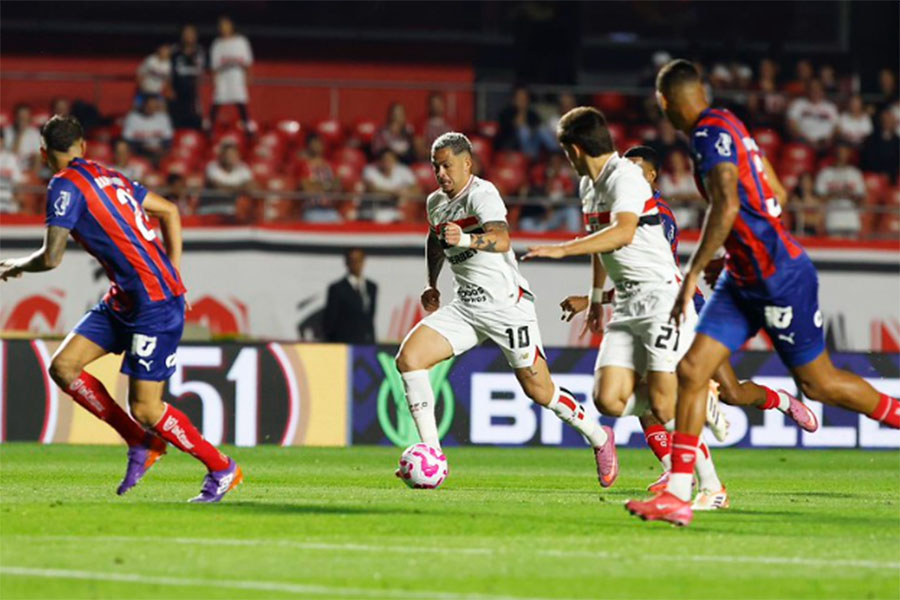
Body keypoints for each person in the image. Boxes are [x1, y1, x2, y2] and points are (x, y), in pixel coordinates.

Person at [626, 59, 899, 527]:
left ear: (665, 101)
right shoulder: (729, 123)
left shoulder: (707, 137)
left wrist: (694, 270)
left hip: (776, 277)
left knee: (820, 383)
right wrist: (739, 245)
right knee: (693, 370)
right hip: (742, 276)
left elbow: (728, 204)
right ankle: (678, 493)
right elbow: (776, 192)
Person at [0, 115, 242, 502]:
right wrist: (173, 271)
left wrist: (14, 266)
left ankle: (222, 467)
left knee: (146, 408)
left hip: (154, 305)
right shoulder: (109, 175)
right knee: (64, 367)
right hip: (126, 298)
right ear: (82, 146)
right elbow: (170, 211)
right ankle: (139, 442)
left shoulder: (63, 186)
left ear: (44, 153)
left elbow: (52, 257)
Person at [560, 144, 818, 496]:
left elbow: (652, 278)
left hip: (684, 310)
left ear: (652, 177)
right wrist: (594, 297)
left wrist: (596, 297)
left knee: (732, 392)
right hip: (646, 310)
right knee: (648, 391)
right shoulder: (617, 210)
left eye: (637, 169)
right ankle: (673, 469)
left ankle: (781, 399)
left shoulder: (658, 216)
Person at [521, 108, 731, 507]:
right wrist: (597, 298)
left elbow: (621, 233)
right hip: (628, 302)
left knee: (664, 404)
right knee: (610, 399)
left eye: (565, 150)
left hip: (660, 299)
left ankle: (711, 488)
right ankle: (698, 399)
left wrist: (562, 249)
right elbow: (601, 242)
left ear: (575, 148)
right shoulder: (589, 185)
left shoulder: (627, 178)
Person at [395, 131, 616, 488]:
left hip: (506, 306)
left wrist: (465, 239)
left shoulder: (483, 194)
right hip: (466, 306)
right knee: (409, 360)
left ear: (467, 163)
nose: (441, 173)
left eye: (447, 165)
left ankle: (599, 437)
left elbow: (502, 239)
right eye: (436, 166)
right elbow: (435, 240)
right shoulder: (436, 202)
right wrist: (431, 282)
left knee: (539, 391)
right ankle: (432, 454)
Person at [322, 248, 378, 344]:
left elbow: (370, 316)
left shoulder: (371, 287)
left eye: (359, 260)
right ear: (347, 263)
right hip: (344, 343)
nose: (356, 264)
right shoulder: (337, 288)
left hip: (366, 343)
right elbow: (330, 319)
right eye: (353, 261)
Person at [209, 16, 253, 134]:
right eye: (222, 26)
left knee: (241, 102)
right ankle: (210, 128)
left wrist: (248, 77)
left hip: (237, 75)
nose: (225, 28)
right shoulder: (217, 43)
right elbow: (214, 66)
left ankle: (248, 129)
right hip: (223, 75)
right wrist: (214, 80)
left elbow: (247, 62)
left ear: (232, 26)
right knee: (217, 101)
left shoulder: (241, 41)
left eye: (227, 25)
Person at [814, 143, 866, 237]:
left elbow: (861, 199)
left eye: (844, 152)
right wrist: (839, 194)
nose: (841, 154)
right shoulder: (825, 173)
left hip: (852, 220)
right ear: (834, 153)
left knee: (852, 249)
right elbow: (819, 199)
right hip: (832, 219)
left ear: (849, 154)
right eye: (839, 152)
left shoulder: (855, 173)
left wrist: (847, 194)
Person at [361, 149, 419, 223]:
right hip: (374, 209)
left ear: (395, 161)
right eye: (385, 160)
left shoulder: (403, 170)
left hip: (397, 209)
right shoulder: (370, 170)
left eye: (390, 160)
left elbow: (416, 189)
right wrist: (393, 193)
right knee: (380, 218)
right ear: (379, 161)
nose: (387, 163)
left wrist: (406, 192)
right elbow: (371, 189)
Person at [170, 25, 206, 130]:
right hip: (178, 92)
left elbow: (206, 72)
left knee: (196, 120)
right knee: (176, 122)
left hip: (195, 93)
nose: (188, 36)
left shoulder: (201, 51)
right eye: (186, 33)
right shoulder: (175, 51)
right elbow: (168, 71)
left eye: (191, 33)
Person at [786, 80, 839, 151]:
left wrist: (829, 139)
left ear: (822, 91)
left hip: (825, 145)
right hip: (803, 143)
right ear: (808, 90)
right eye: (813, 89)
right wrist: (805, 139)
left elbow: (837, 127)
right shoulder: (798, 104)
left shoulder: (831, 107)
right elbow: (792, 124)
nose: (815, 91)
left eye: (818, 89)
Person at [122, 95, 173, 165]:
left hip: (158, 155)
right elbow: (127, 141)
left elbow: (168, 141)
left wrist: (160, 150)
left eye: (153, 106)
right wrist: (144, 148)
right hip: (139, 153)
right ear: (143, 105)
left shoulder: (163, 118)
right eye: (148, 105)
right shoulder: (133, 117)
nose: (151, 108)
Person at [860, 109, 900, 182]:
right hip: (874, 174)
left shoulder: (897, 141)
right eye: (885, 120)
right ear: (881, 122)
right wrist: (880, 172)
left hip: (892, 177)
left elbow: (897, 162)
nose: (887, 123)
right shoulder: (871, 139)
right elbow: (869, 158)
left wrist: (890, 173)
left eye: (890, 121)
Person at [3, 104, 42, 171]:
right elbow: (12, 156)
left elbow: (38, 157)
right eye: (20, 115)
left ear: (29, 117)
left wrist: (33, 174)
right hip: (10, 168)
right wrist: (20, 134)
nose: (22, 118)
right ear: (15, 117)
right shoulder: (7, 131)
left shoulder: (35, 132)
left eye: (25, 115)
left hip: (29, 168)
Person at [0, 128, 24, 214]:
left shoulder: (10, 158)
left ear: (2, 141)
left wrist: (16, 197)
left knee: (15, 207)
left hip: (8, 201)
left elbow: (18, 181)